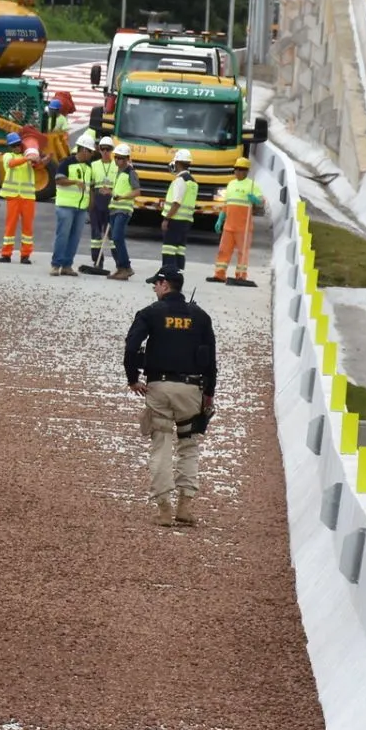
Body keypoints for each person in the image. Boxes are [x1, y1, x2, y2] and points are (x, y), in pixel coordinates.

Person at [123, 268, 217, 527]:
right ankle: (185, 505)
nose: (154, 288)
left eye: (156, 284)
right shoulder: (201, 317)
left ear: (165, 285)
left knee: (161, 446)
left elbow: (131, 347)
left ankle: (164, 508)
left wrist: (133, 379)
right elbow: (211, 360)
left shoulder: (150, 313)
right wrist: (208, 395)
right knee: (188, 446)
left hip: (159, 388)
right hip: (191, 390)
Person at [211, 156, 267, 287]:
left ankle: (241, 276)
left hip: (244, 227)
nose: (238, 171)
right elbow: (226, 204)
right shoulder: (231, 184)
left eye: (241, 169)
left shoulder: (252, 185)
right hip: (229, 226)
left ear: (246, 171)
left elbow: (262, 201)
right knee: (223, 251)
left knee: (242, 253)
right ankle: (219, 274)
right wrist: (220, 219)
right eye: (236, 169)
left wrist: (256, 200)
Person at [48, 132, 95, 276]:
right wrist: (74, 182)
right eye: (91, 151)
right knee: (62, 235)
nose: (92, 154)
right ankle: (56, 265)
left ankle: (67, 265)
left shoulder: (89, 167)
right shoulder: (66, 162)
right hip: (65, 206)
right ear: (84, 150)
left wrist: (90, 205)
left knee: (75, 238)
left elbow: (90, 187)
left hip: (81, 209)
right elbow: (58, 180)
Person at [154, 147, 199, 281]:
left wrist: (166, 219)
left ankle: (167, 279)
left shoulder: (180, 180)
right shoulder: (193, 182)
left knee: (169, 251)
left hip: (175, 220)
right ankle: (178, 279)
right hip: (186, 221)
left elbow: (177, 203)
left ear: (178, 163)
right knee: (180, 252)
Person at [0, 137, 44, 264]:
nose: (16, 147)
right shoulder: (8, 156)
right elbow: (11, 163)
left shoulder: (29, 155)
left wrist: (40, 159)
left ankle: (25, 255)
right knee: (10, 226)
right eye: (14, 146)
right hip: (13, 197)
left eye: (18, 145)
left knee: (27, 228)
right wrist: (28, 158)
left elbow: (39, 165)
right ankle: (6, 254)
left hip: (27, 198)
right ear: (10, 147)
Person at [81, 136, 121, 275]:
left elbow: (121, 185)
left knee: (112, 235)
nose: (105, 151)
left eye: (108, 149)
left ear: (112, 150)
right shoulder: (94, 165)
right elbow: (90, 185)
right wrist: (90, 203)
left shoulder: (116, 166)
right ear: (99, 150)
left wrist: (111, 192)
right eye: (103, 149)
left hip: (111, 200)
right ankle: (97, 261)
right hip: (97, 200)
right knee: (95, 234)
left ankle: (120, 263)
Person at [105, 141, 139, 280]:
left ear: (127, 159)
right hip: (114, 208)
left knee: (117, 237)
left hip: (123, 209)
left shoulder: (130, 172)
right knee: (114, 238)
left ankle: (126, 267)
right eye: (116, 157)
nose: (117, 160)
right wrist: (110, 192)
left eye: (121, 158)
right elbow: (118, 190)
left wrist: (122, 197)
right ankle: (120, 268)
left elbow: (137, 191)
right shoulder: (118, 172)